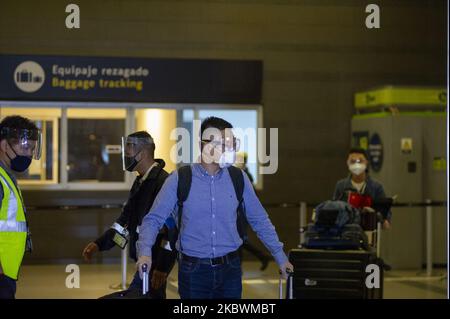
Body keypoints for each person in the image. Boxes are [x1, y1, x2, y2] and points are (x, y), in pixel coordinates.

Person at [136, 117, 293, 299]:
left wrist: (280, 257)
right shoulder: (180, 179)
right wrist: (145, 253)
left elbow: (260, 220)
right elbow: (153, 219)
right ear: (205, 145)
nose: (231, 150)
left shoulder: (238, 178)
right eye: (225, 144)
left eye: (233, 144)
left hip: (231, 269)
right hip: (193, 271)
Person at [82, 131, 177, 298]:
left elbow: (172, 231)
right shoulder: (141, 181)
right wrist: (100, 244)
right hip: (143, 262)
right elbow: (124, 223)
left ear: (143, 154)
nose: (125, 158)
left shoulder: (163, 183)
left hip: (153, 264)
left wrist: (162, 267)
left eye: (128, 154)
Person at [0, 116, 42, 299]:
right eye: (25, 148)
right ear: (4, 145)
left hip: (6, 273)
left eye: (32, 149)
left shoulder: (7, 176)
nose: (29, 155)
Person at [333, 147, 392, 229]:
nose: (357, 164)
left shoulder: (376, 187)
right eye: (352, 161)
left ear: (366, 162)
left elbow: (385, 210)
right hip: (346, 232)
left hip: (370, 230)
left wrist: (385, 221)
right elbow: (334, 209)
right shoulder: (341, 186)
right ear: (347, 163)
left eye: (360, 161)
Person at [234, 152, 271, 271]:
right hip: (239, 213)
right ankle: (262, 257)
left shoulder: (245, 175)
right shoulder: (242, 174)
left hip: (241, 213)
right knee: (239, 239)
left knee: (239, 239)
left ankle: (238, 267)